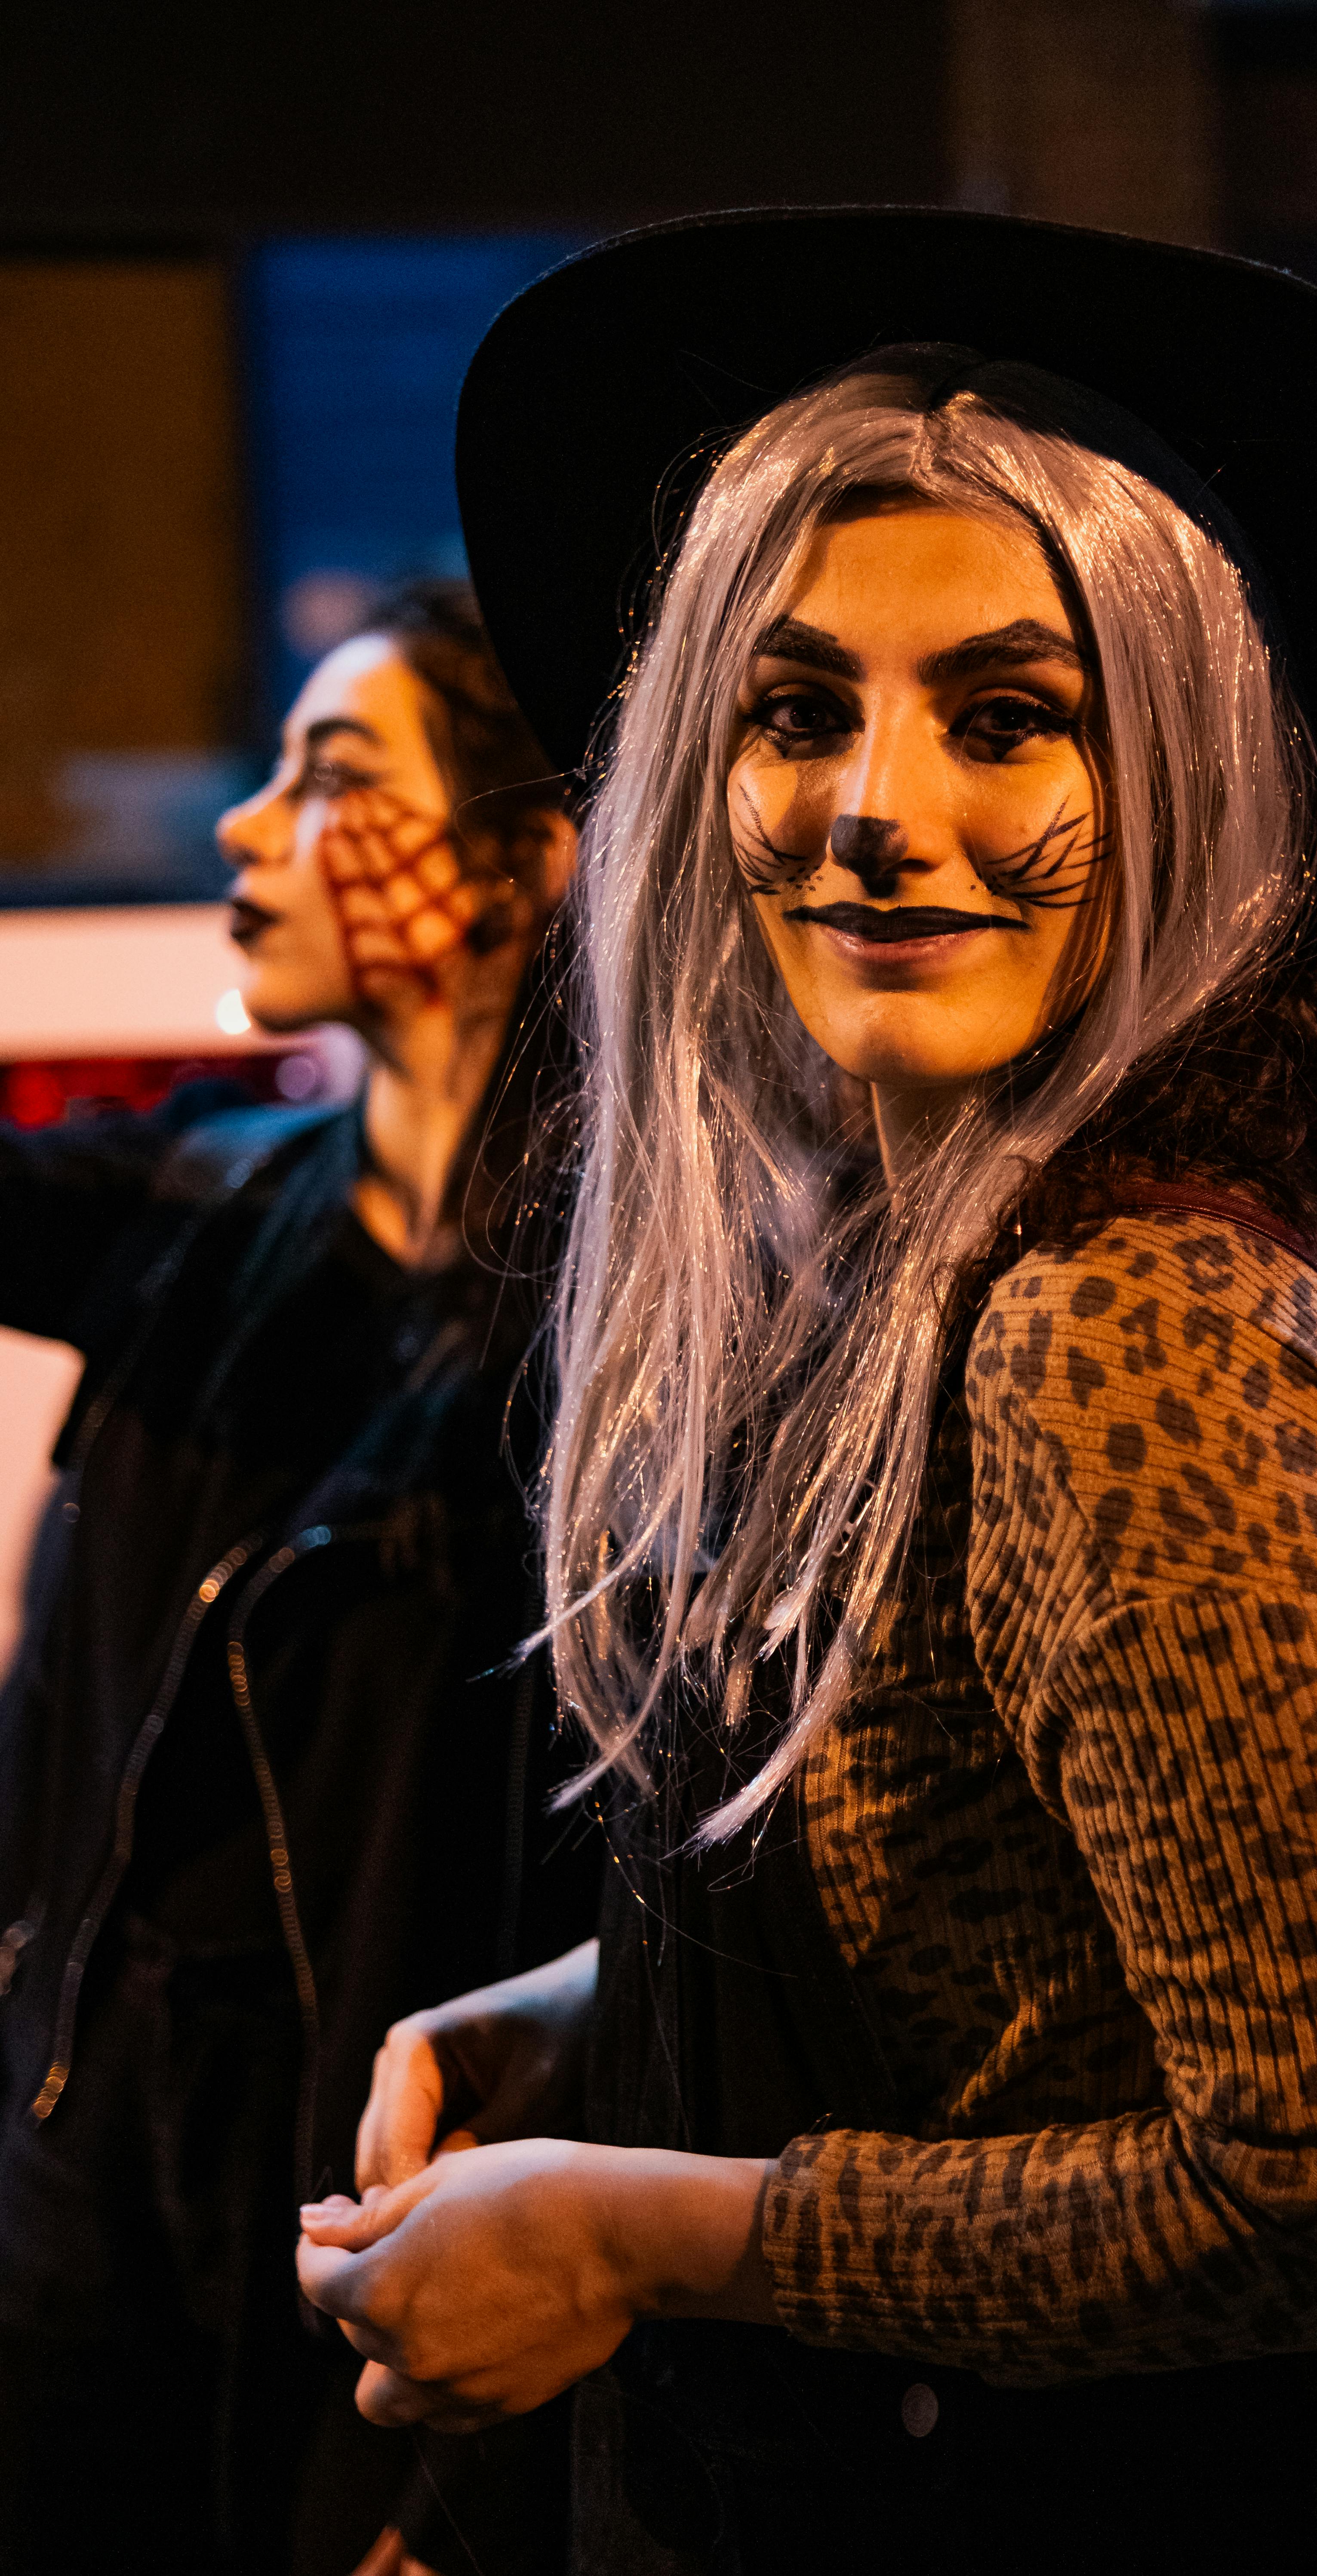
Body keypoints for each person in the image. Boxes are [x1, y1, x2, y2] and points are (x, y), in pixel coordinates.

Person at [298, 218, 1317, 2573]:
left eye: (1006, 715)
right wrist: (591, 2022)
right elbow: (1020, 1940)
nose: (872, 805)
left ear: (1185, 769)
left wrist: (637, 2229)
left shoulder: (1124, 1329)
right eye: (795, 709)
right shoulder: (913, 1243)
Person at [0, 581, 595, 2576]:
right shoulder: (209, 1211)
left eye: (331, 781)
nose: (252, 829)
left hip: (350, 2249)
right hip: (77, 2197)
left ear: (532, 862)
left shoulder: (614, 1343)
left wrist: (459, 2487)